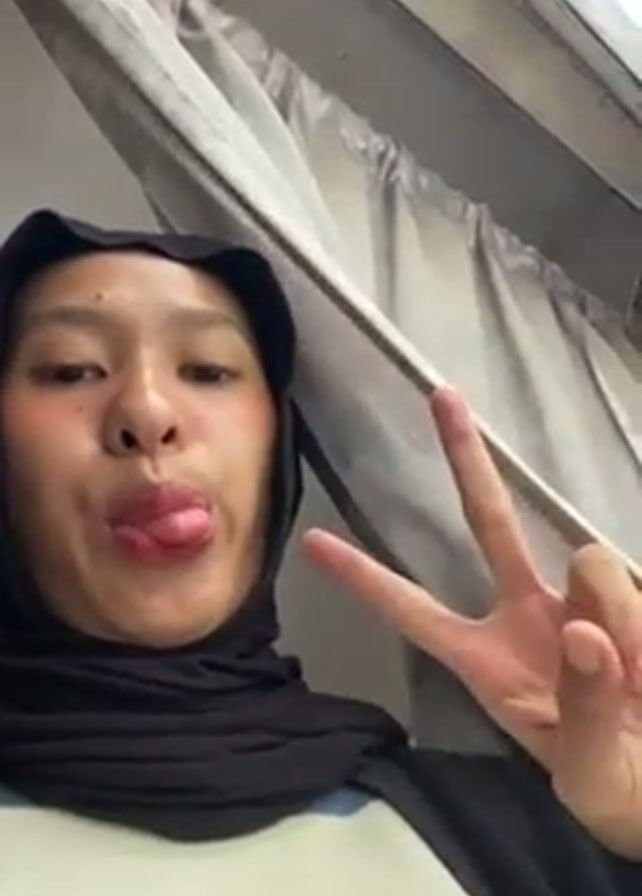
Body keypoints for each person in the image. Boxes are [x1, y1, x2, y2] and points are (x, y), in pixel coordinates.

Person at [0, 208, 640, 895]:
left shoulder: (507, 841)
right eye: (70, 370)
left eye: (208, 370)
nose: (148, 413)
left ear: (277, 444)